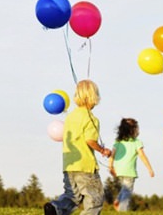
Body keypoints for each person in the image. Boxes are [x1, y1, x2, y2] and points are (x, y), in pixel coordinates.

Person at [44, 79, 112, 215]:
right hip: (85, 166)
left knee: (72, 196)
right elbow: (90, 140)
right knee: (95, 199)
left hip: (69, 165)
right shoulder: (91, 119)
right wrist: (102, 150)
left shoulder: (70, 117)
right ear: (94, 97)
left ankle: (56, 208)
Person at [109, 118, 154, 212]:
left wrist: (111, 167)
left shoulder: (118, 142)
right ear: (133, 130)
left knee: (125, 188)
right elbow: (142, 156)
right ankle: (122, 210)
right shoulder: (136, 142)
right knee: (127, 191)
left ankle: (118, 200)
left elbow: (112, 156)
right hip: (129, 171)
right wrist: (150, 168)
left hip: (119, 171)